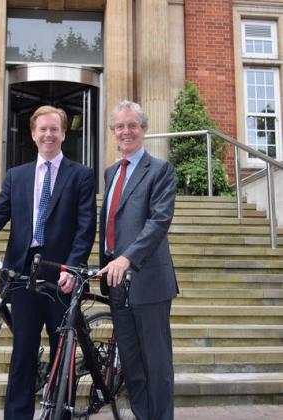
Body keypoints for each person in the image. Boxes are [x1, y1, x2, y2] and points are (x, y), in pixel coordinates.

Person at [0, 105, 96, 420]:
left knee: (63, 351)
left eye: (54, 129)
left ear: (63, 133)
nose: (48, 134)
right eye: (42, 129)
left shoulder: (81, 176)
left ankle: (61, 413)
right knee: (22, 354)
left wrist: (73, 268)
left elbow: (86, 228)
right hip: (22, 273)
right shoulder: (16, 176)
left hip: (61, 273)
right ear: (33, 135)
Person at [97, 100, 178, 420]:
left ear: (143, 129)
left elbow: (158, 222)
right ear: (113, 133)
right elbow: (112, 223)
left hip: (148, 282)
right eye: (120, 126)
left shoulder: (160, 170)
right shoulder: (110, 172)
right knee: (131, 363)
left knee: (156, 364)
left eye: (132, 125)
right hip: (116, 284)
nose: (126, 132)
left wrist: (126, 258)